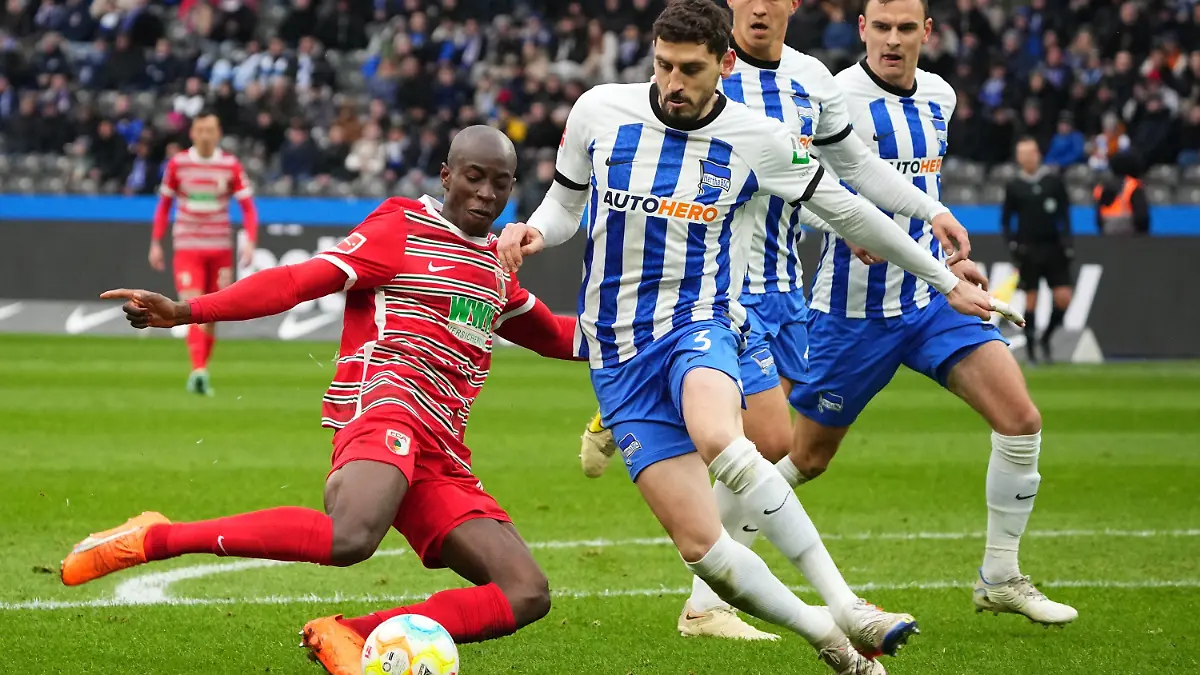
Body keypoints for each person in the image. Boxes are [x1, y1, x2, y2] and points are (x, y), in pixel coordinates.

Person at [498, 1, 1003, 672]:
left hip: (700, 321)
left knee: (728, 437)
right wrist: (531, 229)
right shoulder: (600, 111)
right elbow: (564, 205)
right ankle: (829, 638)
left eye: (691, 70)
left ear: (723, 65)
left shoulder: (756, 137)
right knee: (705, 547)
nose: (673, 83)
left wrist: (943, 279)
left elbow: (849, 208)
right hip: (618, 354)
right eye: (664, 66)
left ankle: (849, 605)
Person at [60, 127, 579, 675]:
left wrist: (656, 334)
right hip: (385, 408)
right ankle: (155, 538)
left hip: (442, 453)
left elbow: (565, 339)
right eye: (473, 177)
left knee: (526, 591)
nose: (485, 194)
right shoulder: (401, 228)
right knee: (351, 536)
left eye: (500, 184)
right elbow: (296, 280)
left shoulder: (499, 271)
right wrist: (189, 311)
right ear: (446, 175)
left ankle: (349, 634)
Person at [789, 0, 1077, 626]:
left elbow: (926, 194)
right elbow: (796, 185)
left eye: (904, 29)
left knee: (1021, 419)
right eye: (880, 28)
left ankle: (1000, 575)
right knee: (805, 459)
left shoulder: (940, 97)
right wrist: (841, 224)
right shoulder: (834, 98)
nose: (892, 41)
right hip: (850, 314)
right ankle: (713, 563)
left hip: (930, 299)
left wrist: (946, 262)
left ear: (927, 32)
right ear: (861, 29)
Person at [150, 111, 259, 396]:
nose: (205, 135)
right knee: (191, 304)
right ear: (193, 133)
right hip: (187, 246)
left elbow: (248, 208)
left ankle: (200, 369)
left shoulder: (230, 165)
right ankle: (198, 370)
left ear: (218, 133)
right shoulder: (178, 164)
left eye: (210, 130)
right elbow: (164, 205)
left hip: (220, 248)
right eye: (200, 130)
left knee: (211, 312)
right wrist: (155, 241)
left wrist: (249, 241)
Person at [1002, 136, 1074, 364]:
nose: (1027, 157)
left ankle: (1047, 336)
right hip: (1029, 248)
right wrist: (1013, 244)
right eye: (1022, 154)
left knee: (1064, 297)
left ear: (1038, 154)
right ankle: (1032, 349)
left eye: (1030, 152)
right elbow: (1006, 220)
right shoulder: (1014, 186)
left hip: (1053, 247)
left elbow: (1064, 214)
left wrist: (1068, 242)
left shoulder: (1053, 181)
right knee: (1031, 298)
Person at [1093, 150, 1149, 236]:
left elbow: (1098, 219)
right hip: (1131, 235)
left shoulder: (1101, 187)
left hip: (1107, 234)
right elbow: (1142, 218)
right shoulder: (1133, 185)